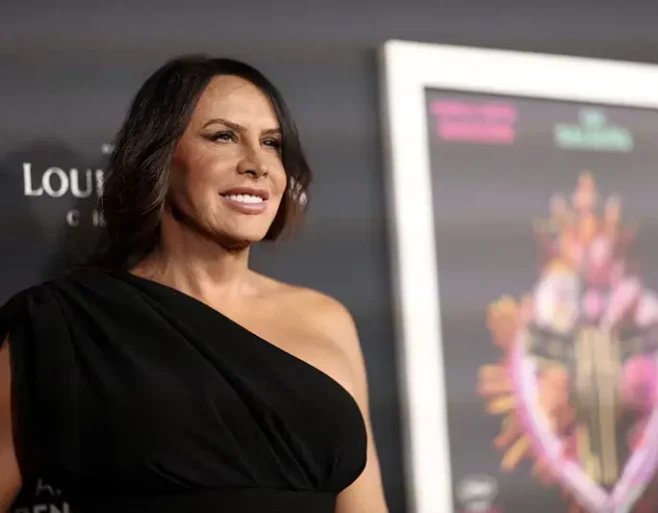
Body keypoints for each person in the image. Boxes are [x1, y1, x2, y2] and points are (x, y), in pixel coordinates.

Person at [0, 55, 389, 513]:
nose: (257, 164)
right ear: (160, 157)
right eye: (223, 136)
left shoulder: (327, 319)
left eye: (272, 143)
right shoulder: (62, 325)